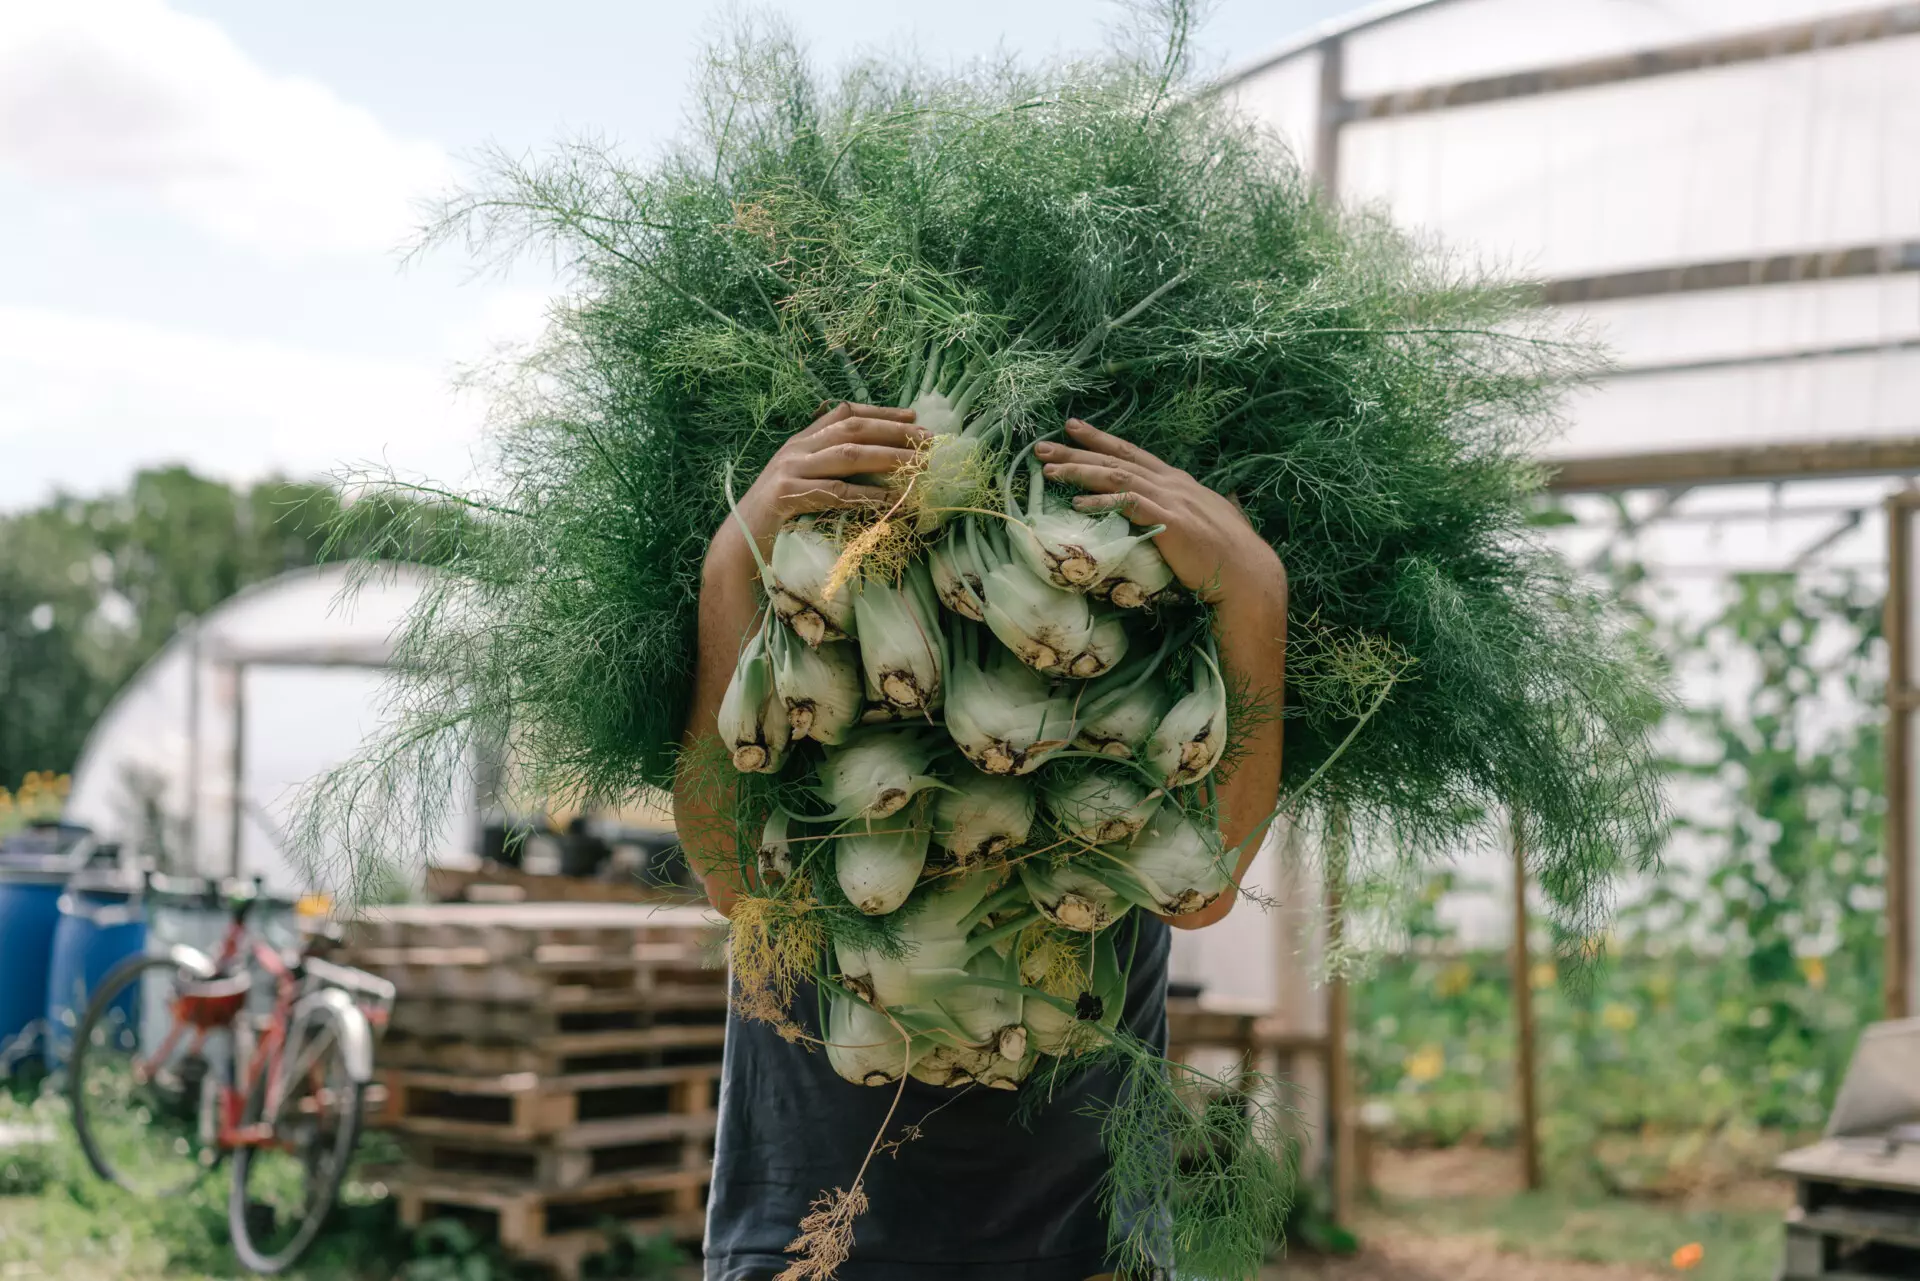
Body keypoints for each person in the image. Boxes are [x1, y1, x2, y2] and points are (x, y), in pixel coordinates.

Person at [673, 402, 1289, 1281]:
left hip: (1084, 1239)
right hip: (809, 1241)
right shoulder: (803, 599)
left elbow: (1203, 886)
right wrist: (733, 557)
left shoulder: (1142, 618)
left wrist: (1254, 588)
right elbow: (733, 877)